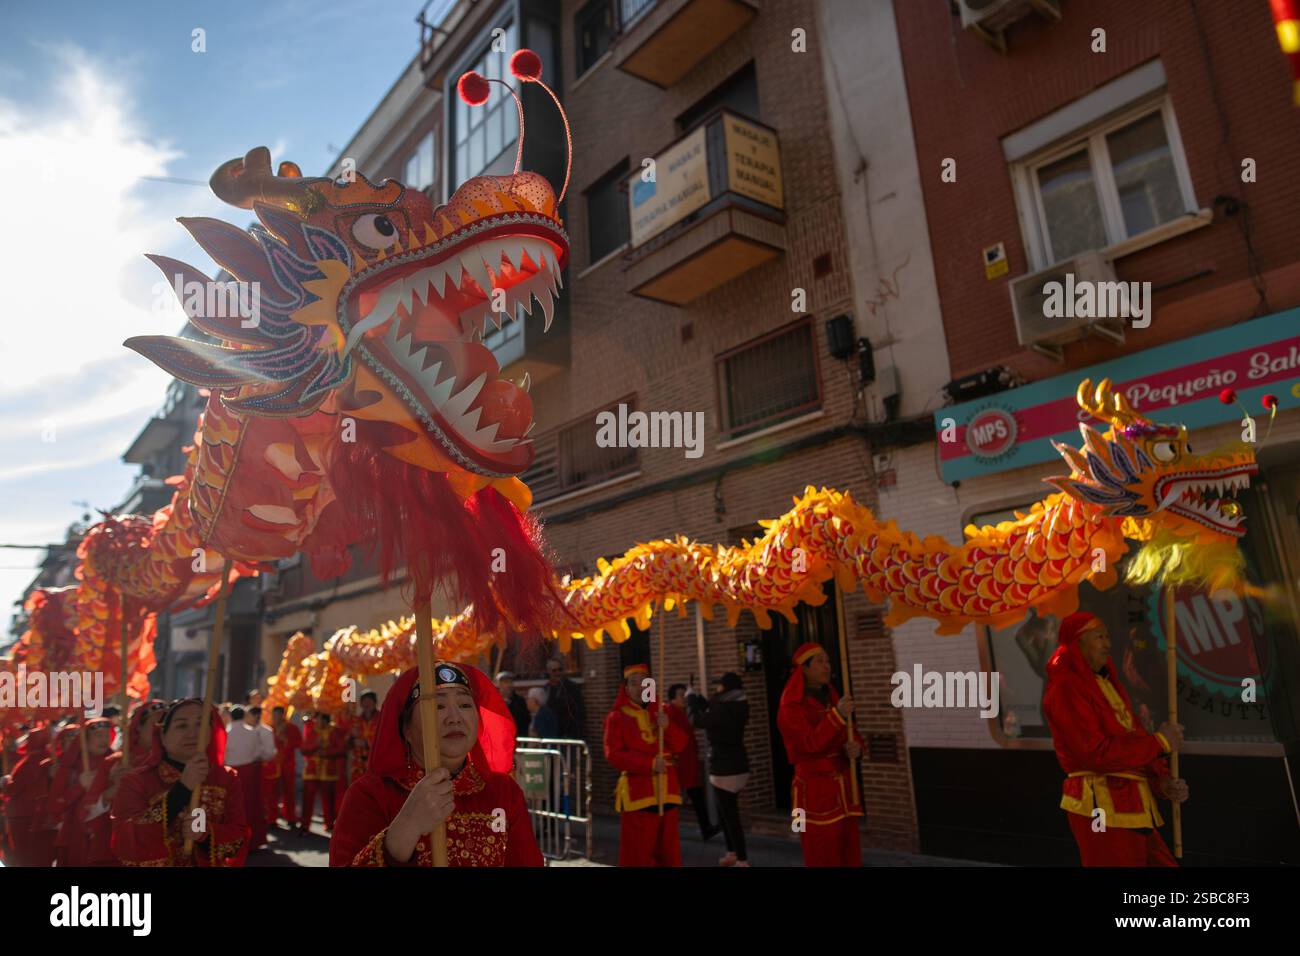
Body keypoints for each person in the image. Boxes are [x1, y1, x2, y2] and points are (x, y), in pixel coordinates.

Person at [330, 661, 543, 866]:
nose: (455, 717)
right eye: (438, 705)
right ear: (407, 730)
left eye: (465, 704)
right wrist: (403, 832)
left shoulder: (503, 792)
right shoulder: (370, 795)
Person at [1042, 611, 1186, 867]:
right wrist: (1160, 743)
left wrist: (1160, 781)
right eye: (1099, 637)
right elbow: (1095, 754)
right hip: (1100, 808)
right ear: (1078, 643)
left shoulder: (1106, 683)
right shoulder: (1065, 688)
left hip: (1134, 806)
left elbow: (1131, 738)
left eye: (1108, 636)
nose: (1108, 643)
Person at [111, 698, 249, 866]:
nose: (193, 733)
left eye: (200, 724)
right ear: (162, 735)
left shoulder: (227, 778)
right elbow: (127, 843)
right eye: (182, 726)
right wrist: (182, 789)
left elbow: (239, 840)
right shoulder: (136, 781)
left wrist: (205, 834)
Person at [777, 643, 864, 867]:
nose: (828, 667)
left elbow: (850, 734)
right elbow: (809, 744)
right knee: (822, 855)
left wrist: (854, 747)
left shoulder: (832, 696)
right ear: (803, 669)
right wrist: (837, 716)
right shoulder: (791, 706)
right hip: (814, 793)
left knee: (850, 852)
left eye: (828, 661)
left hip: (844, 790)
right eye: (820, 662)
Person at [603, 663, 689, 867]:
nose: (640, 687)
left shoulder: (663, 711)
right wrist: (649, 763)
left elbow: (681, 745)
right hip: (639, 794)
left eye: (645, 682)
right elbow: (613, 755)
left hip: (668, 790)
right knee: (638, 854)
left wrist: (667, 727)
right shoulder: (617, 717)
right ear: (626, 688)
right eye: (634, 683)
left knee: (669, 852)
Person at [686, 673, 751, 866]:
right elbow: (711, 709)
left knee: (730, 817)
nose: (717, 689)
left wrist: (690, 699)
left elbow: (697, 720)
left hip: (725, 768)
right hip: (738, 764)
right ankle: (732, 852)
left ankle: (742, 859)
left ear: (727, 689)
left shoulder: (725, 709)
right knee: (725, 813)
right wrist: (696, 696)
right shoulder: (738, 704)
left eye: (720, 686)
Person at [667, 683, 717, 844]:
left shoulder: (683, 712)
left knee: (696, 796)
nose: (685, 699)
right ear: (672, 699)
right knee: (673, 800)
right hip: (678, 763)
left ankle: (706, 828)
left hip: (689, 761)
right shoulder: (669, 713)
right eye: (681, 695)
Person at [226, 705, 275, 849]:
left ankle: (233, 839)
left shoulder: (226, 732)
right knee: (252, 805)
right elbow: (264, 754)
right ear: (244, 716)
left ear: (230, 716)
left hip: (231, 771)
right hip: (250, 771)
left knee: (233, 806)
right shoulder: (253, 733)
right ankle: (254, 839)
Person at [2, 724, 51, 866]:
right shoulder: (50, 759)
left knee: (23, 853)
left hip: (22, 816)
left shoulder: (26, 763)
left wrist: (5, 783)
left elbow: (12, 789)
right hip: (42, 814)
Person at [300, 712, 346, 835]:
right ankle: (305, 825)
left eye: (320, 720)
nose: (318, 722)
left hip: (329, 771)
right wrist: (316, 746)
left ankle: (329, 824)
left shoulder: (334, 731)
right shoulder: (311, 731)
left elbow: (341, 750)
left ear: (326, 721)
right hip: (311, 770)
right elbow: (304, 749)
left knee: (328, 799)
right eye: (317, 720)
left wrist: (326, 752)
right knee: (307, 799)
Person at [266, 706, 302, 828]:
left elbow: (299, 742)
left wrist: (286, 741)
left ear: (283, 715)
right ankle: (272, 818)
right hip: (273, 764)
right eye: (274, 715)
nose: (276, 718)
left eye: (278, 715)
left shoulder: (291, 727)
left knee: (289, 792)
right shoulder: (269, 728)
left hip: (288, 764)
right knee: (272, 793)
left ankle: (290, 817)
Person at [545, 657, 584, 739]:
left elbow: (579, 711)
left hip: (568, 733)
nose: (557, 673)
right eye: (554, 670)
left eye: (560, 669)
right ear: (548, 671)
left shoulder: (571, 687)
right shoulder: (546, 688)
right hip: (551, 732)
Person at [347, 692, 380, 790]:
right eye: (364, 702)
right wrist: (351, 738)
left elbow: (384, 738)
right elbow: (348, 742)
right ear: (361, 704)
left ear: (375, 703)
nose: (367, 705)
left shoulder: (381, 718)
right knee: (358, 792)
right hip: (358, 764)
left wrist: (366, 743)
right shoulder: (356, 720)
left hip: (375, 763)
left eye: (369, 701)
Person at [127, 700, 167, 769]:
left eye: (166, 726)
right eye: (157, 724)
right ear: (138, 726)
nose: (161, 730)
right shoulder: (118, 762)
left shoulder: (176, 761)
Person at [497, 671, 531, 738]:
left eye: (510, 682)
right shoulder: (493, 700)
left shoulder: (520, 701)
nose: (509, 685)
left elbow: (526, 720)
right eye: (506, 682)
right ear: (499, 684)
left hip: (516, 737)